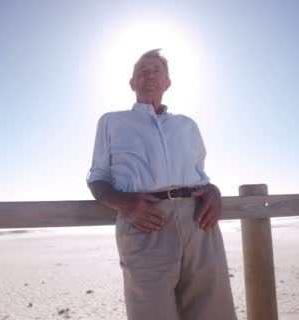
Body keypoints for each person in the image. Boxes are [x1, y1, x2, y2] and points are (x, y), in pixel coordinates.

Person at [86, 49, 237, 320]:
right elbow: (97, 178)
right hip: (146, 222)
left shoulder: (188, 125)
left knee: (214, 311)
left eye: (156, 70)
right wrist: (125, 204)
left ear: (168, 82)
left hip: (200, 223)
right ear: (132, 83)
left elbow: (199, 173)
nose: (149, 75)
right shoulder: (112, 121)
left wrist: (213, 190)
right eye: (142, 72)